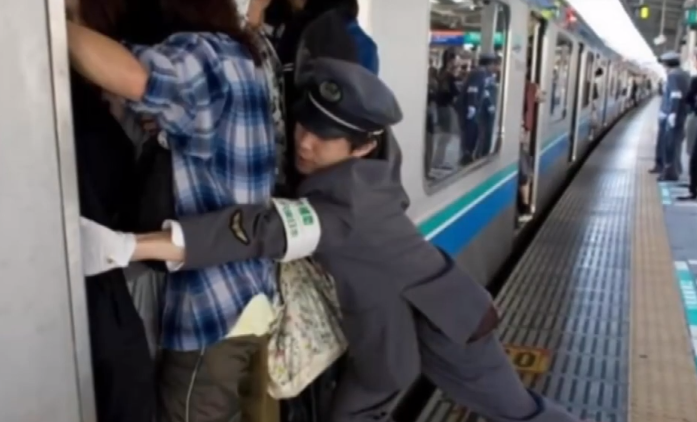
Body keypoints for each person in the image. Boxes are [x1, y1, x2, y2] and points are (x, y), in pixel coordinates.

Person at [80, 56, 597, 422]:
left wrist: (130, 247)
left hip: (450, 322)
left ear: (361, 146)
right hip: (402, 321)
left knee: (514, 410)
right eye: (304, 124)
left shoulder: (344, 208)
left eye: (325, 137)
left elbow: (251, 232)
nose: (305, 142)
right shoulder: (372, 166)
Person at [65, 0, 280, 420]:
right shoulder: (240, 56)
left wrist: (43, 25)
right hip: (246, 293)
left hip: (212, 306)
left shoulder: (204, 53)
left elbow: (136, 78)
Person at [654, 51, 690, 181]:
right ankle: (675, 169)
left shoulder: (673, 75)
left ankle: (670, 173)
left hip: (672, 114)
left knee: (670, 144)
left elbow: (675, 95)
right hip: (681, 114)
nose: (664, 67)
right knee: (675, 143)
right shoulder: (684, 74)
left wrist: (672, 113)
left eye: (664, 64)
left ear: (668, 64)